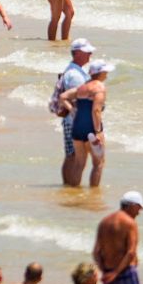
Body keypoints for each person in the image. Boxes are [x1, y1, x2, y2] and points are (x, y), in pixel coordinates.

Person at [58, 60, 110, 188]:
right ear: (100, 73)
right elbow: (96, 110)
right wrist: (98, 132)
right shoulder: (99, 88)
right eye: (106, 71)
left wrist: (72, 110)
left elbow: (63, 96)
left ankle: (73, 192)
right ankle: (93, 195)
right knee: (98, 163)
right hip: (91, 128)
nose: (107, 74)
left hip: (78, 127)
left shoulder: (82, 87)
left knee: (79, 163)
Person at [52, 40, 95, 185]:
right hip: (75, 121)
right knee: (75, 157)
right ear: (77, 53)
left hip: (71, 120)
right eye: (87, 52)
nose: (90, 54)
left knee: (71, 155)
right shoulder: (75, 75)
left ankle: (67, 186)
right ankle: (71, 186)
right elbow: (78, 100)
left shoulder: (74, 71)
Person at [92, 192, 142, 284]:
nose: (139, 212)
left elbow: (96, 252)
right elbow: (131, 252)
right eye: (139, 208)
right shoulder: (130, 223)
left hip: (107, 273)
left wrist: (105, 271)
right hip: (126, 273)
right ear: (132, 206)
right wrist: (115, 273)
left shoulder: (104, 222)